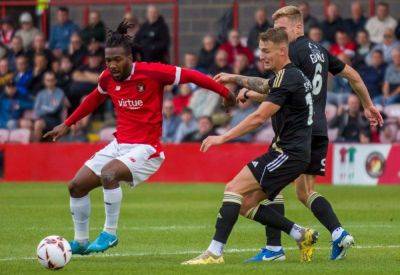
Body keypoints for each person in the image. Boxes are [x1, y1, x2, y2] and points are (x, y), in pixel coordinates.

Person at [43, 21, 235, 255]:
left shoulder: (152, 72)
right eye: (108, 61)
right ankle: (81, 242)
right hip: (119, 145)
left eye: (117, 60)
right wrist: (67, 123)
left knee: (109, 174)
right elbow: (94, 98)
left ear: (130, 58)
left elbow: (192, 76)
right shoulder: (107, 78)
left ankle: (109, 234)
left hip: (147, 149)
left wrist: (226, 93)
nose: (112, 65)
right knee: (76, 186)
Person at [213, 5, 382, 262]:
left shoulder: (293, 53)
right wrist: (369, 105)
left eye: (282, 29)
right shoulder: (321, 52)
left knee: (270, 186)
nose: (278, 34)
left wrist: (242, 85)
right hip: (318, 128)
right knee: (304, 192)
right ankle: (337, 232)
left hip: (296, 129)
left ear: (298, 27)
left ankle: (274, 248)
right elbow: (354, 76)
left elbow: (281, 89)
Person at [183, 28, 318, 265]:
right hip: (293, 152)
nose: (262, 56)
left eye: (267, 51)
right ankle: (300, 234)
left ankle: (214, 253)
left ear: (282, 50)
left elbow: (258, 118)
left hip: (288, 153)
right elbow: (265, 86)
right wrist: (235, 79)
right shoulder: (288, 76)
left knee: (234, 188)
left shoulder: (287, 78)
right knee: (245, 204)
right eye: (260, 50)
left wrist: (222, 137)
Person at [33, 71, 65, 142]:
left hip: (55, 119)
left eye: (52, 80)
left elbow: (53, 110)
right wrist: (46, 108)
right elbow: (36, 111)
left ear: (55, 81)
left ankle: (35, 147)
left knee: (38, 124)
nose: (50, 82)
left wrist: (43, 107)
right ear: (44, 81)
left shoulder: (59, 92)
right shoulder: (40, 93)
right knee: (34, 123)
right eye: (48, 80)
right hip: (42, 119)